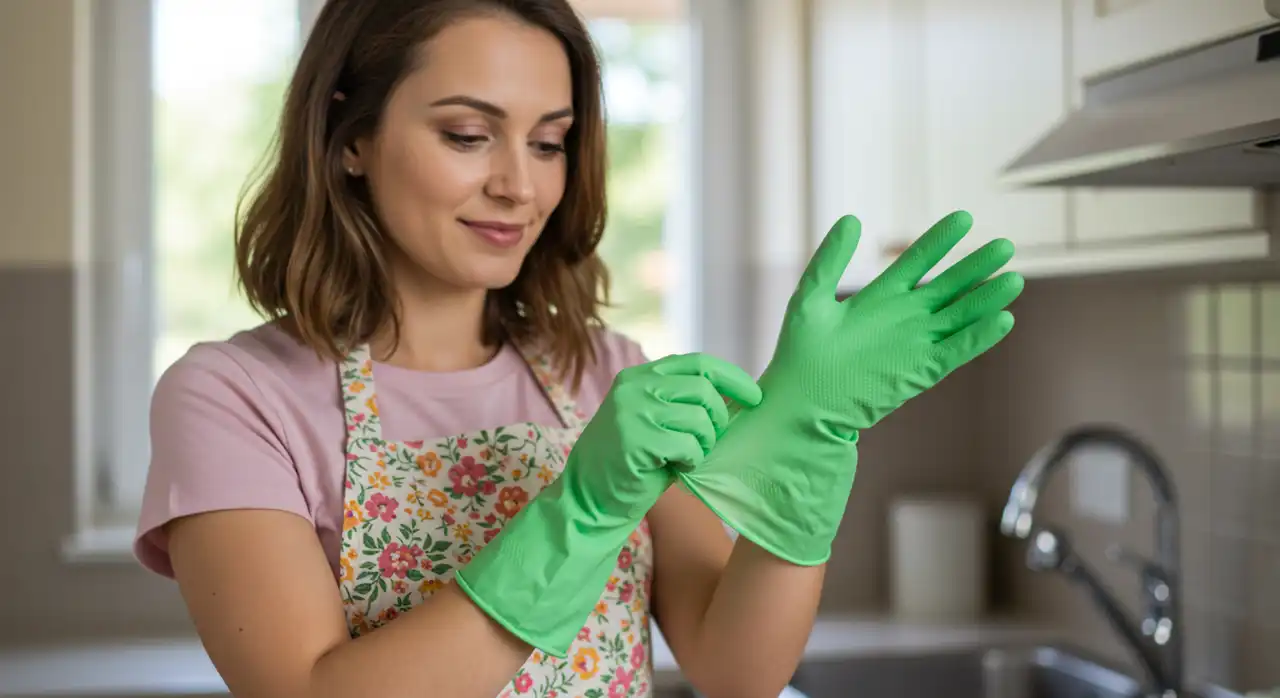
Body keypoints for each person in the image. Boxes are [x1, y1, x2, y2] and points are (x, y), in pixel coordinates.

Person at [134, 1, 1024, 697]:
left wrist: (814, 443)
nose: (519, 185)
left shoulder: (604, 374)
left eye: (550, 141)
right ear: (352, 136)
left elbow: (735, 670)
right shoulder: (235, 396)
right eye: (466, 134)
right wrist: (579, 516)